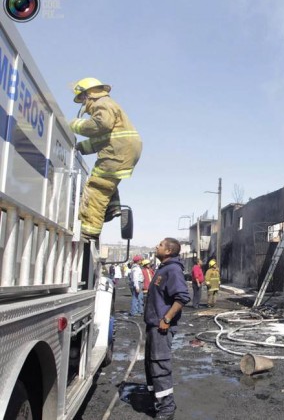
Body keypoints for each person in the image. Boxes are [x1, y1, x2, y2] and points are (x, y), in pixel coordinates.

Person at [69, 78, 143, 240]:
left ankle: (89, 232)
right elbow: (104, 140)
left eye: (81, 98)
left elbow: (100, 126)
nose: (82, 103)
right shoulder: (108, 103)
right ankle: (113, 207)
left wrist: (75, 125)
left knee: (96, 188)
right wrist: (81, 147)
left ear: (88, 94)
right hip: (124, 149)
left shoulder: (100, 104)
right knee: (107, 180)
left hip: (119, 151)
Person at [144, 238, 190, 420]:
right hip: (153, 326)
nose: (157, 246)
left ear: (169, 251)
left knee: (160, 364)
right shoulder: (163, 268)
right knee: (151, 365)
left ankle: (167, 408)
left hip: (161, 327)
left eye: (161, 245)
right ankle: (158, 400)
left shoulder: (173, 269)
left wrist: (167, 318)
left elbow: (182, 297)